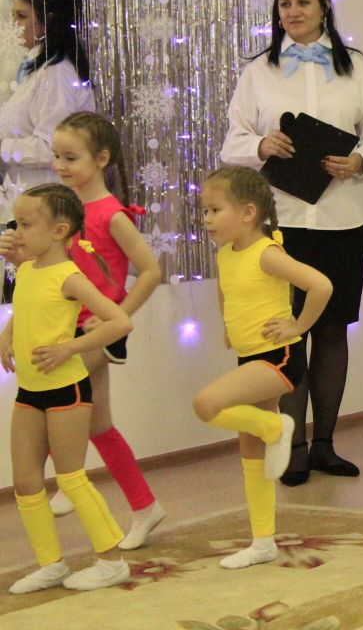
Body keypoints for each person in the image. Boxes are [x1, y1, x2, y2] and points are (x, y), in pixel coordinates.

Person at [221, 0, 363, 485]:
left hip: (344, 219)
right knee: (287, 335)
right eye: (284, 4)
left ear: (325, 5)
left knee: (332, 329)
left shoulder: (357, 67)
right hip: (283, 224)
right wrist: (261, 145)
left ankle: (325, 444)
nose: (293, 12)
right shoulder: (258, 71)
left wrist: (359, 160)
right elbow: (232, 141)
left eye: (303, 1)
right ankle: (293, 446)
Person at [17, 113, 164, 548]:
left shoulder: (111, 215)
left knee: (56, 396)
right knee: (98, 423)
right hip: (68, 326)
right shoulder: (62, 214)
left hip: (94, 329)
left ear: (101, 159)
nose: (59, 165)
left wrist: (117, 315)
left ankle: (69, 477)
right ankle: (144, 505)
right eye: (56, 156)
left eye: (70, 157)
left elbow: (151, 271)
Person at [191, 166, 333, 569]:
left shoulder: (267, 253)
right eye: (205, 211)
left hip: (280, 358)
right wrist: (228, 327)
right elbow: (226, 293)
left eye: (215, 210)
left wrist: (298, 326)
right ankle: (263, 541)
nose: (207, 219)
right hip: (250, 356)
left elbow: (321, 285)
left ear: (248, 212)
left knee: (206, 404)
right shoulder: (225, 254)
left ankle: (277, 427)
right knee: (250, 451)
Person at [2, 184, 133, 593]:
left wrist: (69, 348)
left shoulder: (70, 278)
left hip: (67, 392)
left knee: (71, 477)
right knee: (26, 481)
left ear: (59, 231)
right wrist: (7, 335)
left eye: (25, 224)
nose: (16, 232)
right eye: (15, 224)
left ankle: (112, 561)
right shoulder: (27, 270)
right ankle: (51, 564)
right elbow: (27, 308)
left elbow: (119, 322)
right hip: (30, 392)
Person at [0, 0, 94, 224]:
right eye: (13, 16)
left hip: (48, 211)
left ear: (49, 19)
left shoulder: (55, 73)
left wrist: (3, 147)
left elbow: (55, 149)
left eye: (22, 16)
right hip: (30, 206)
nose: (14, 25)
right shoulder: (38, 67)